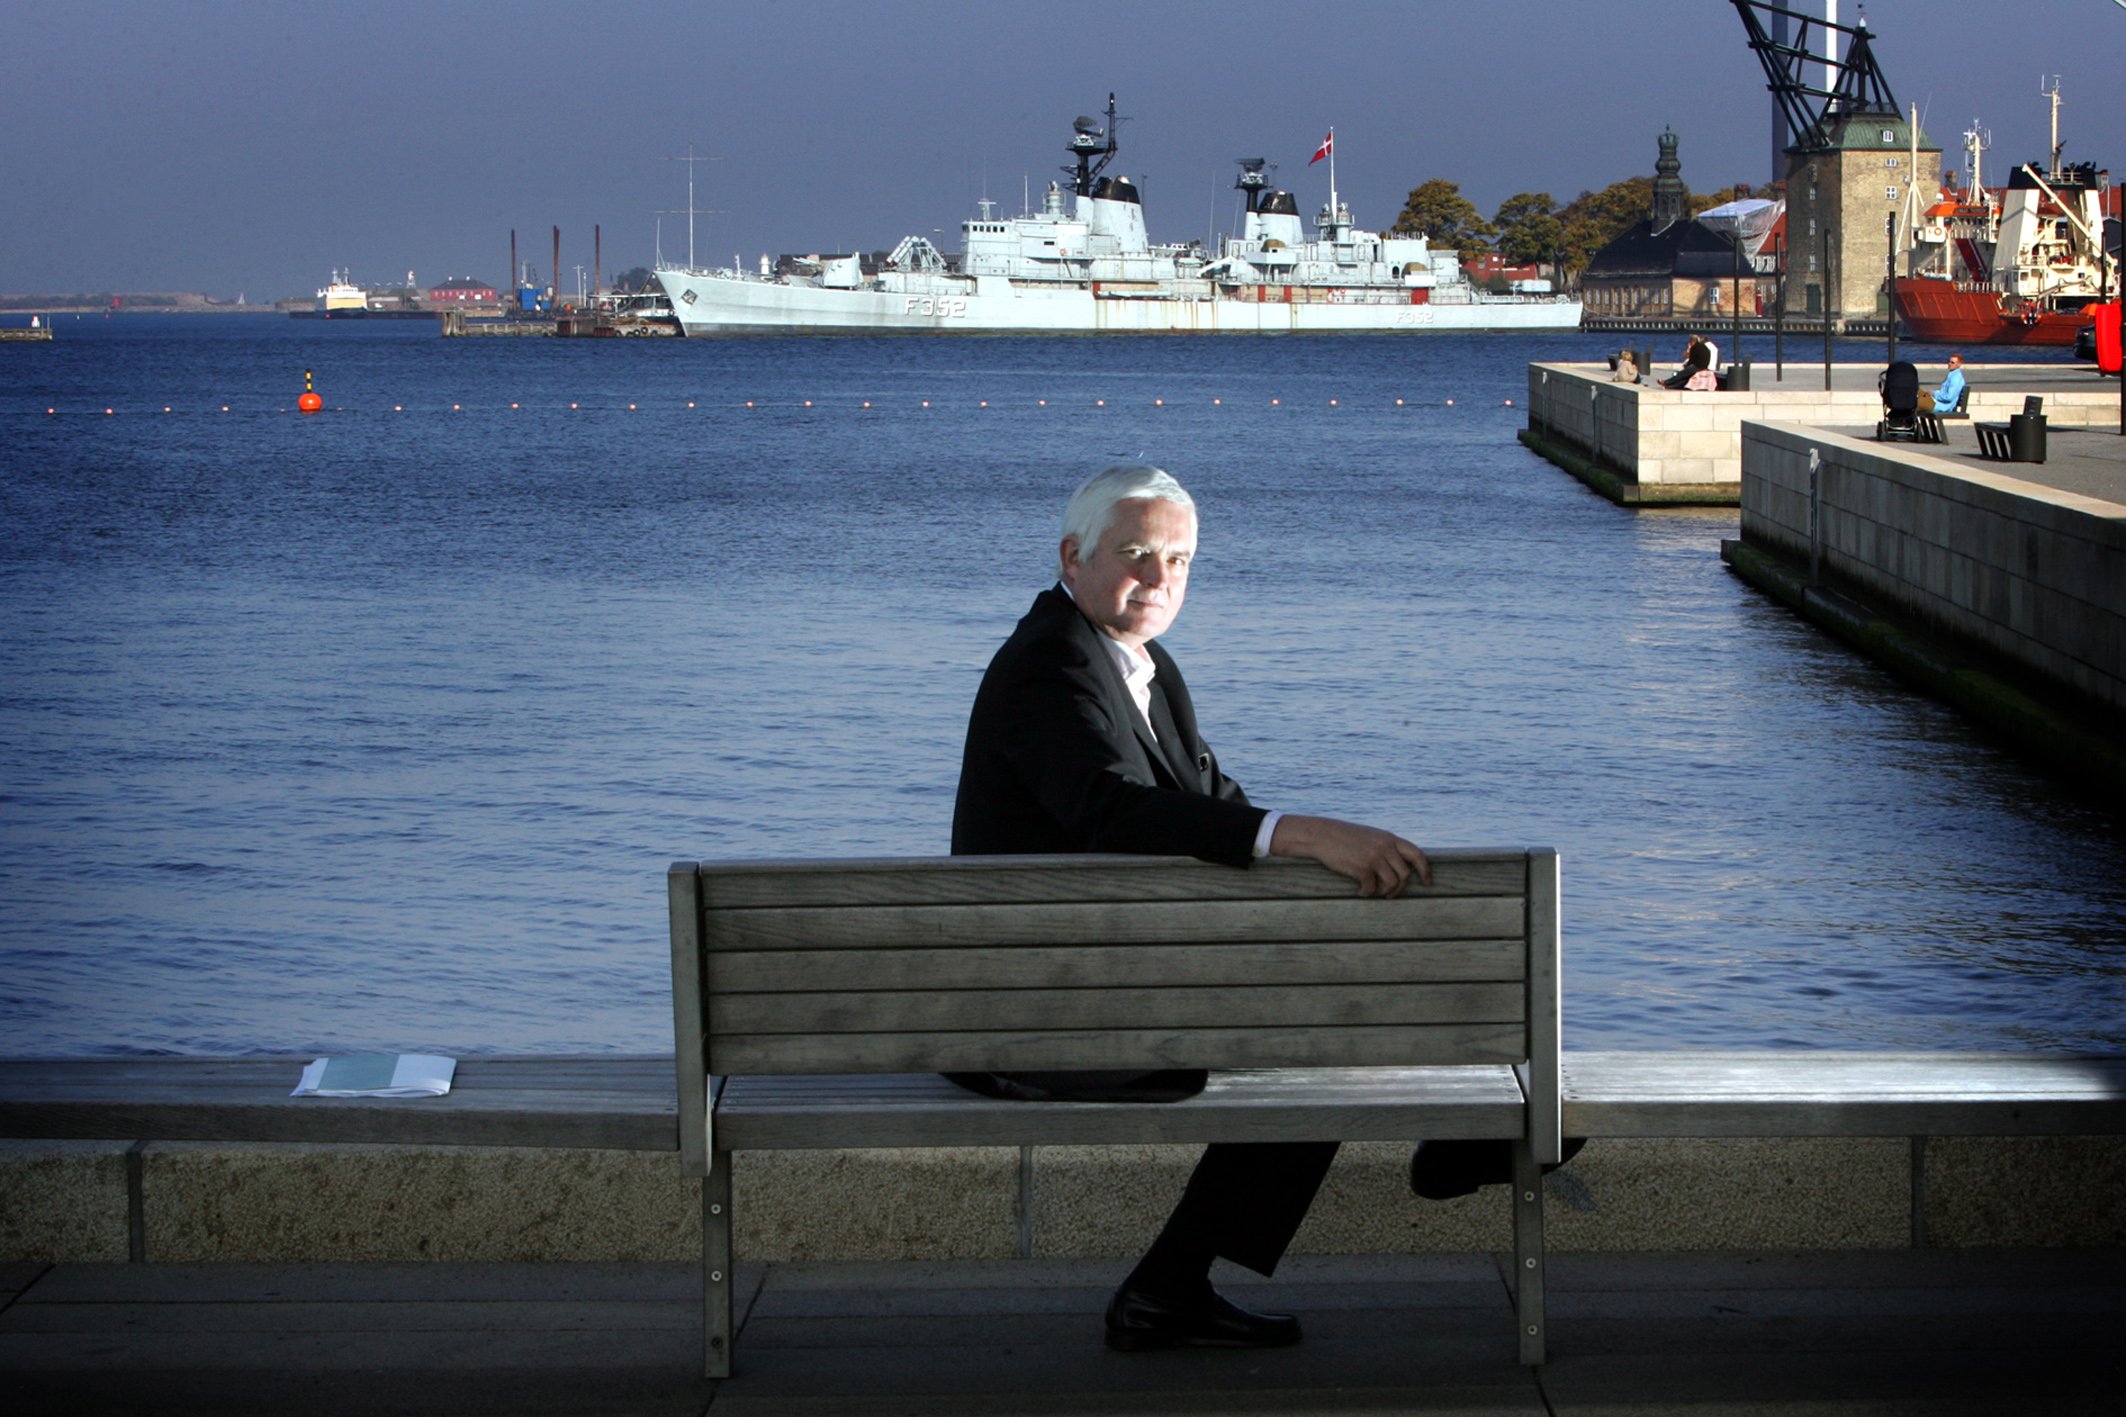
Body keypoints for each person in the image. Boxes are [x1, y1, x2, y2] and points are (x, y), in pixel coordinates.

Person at [951, 463, 1431, 1352]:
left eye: (1179, 559)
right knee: (1315, 1037)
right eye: (1137, 554)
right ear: (1073, 555)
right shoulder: (1047, 667)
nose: (1161, 578)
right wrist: (1306, 836)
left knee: (1330, 1000)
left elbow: (1210, 794)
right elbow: (1113, 811)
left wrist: (1316, 858)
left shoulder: (1144, 666)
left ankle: (1175, 1285)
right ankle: (1469, 1137)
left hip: (1107, 975)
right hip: (1038, 1015)